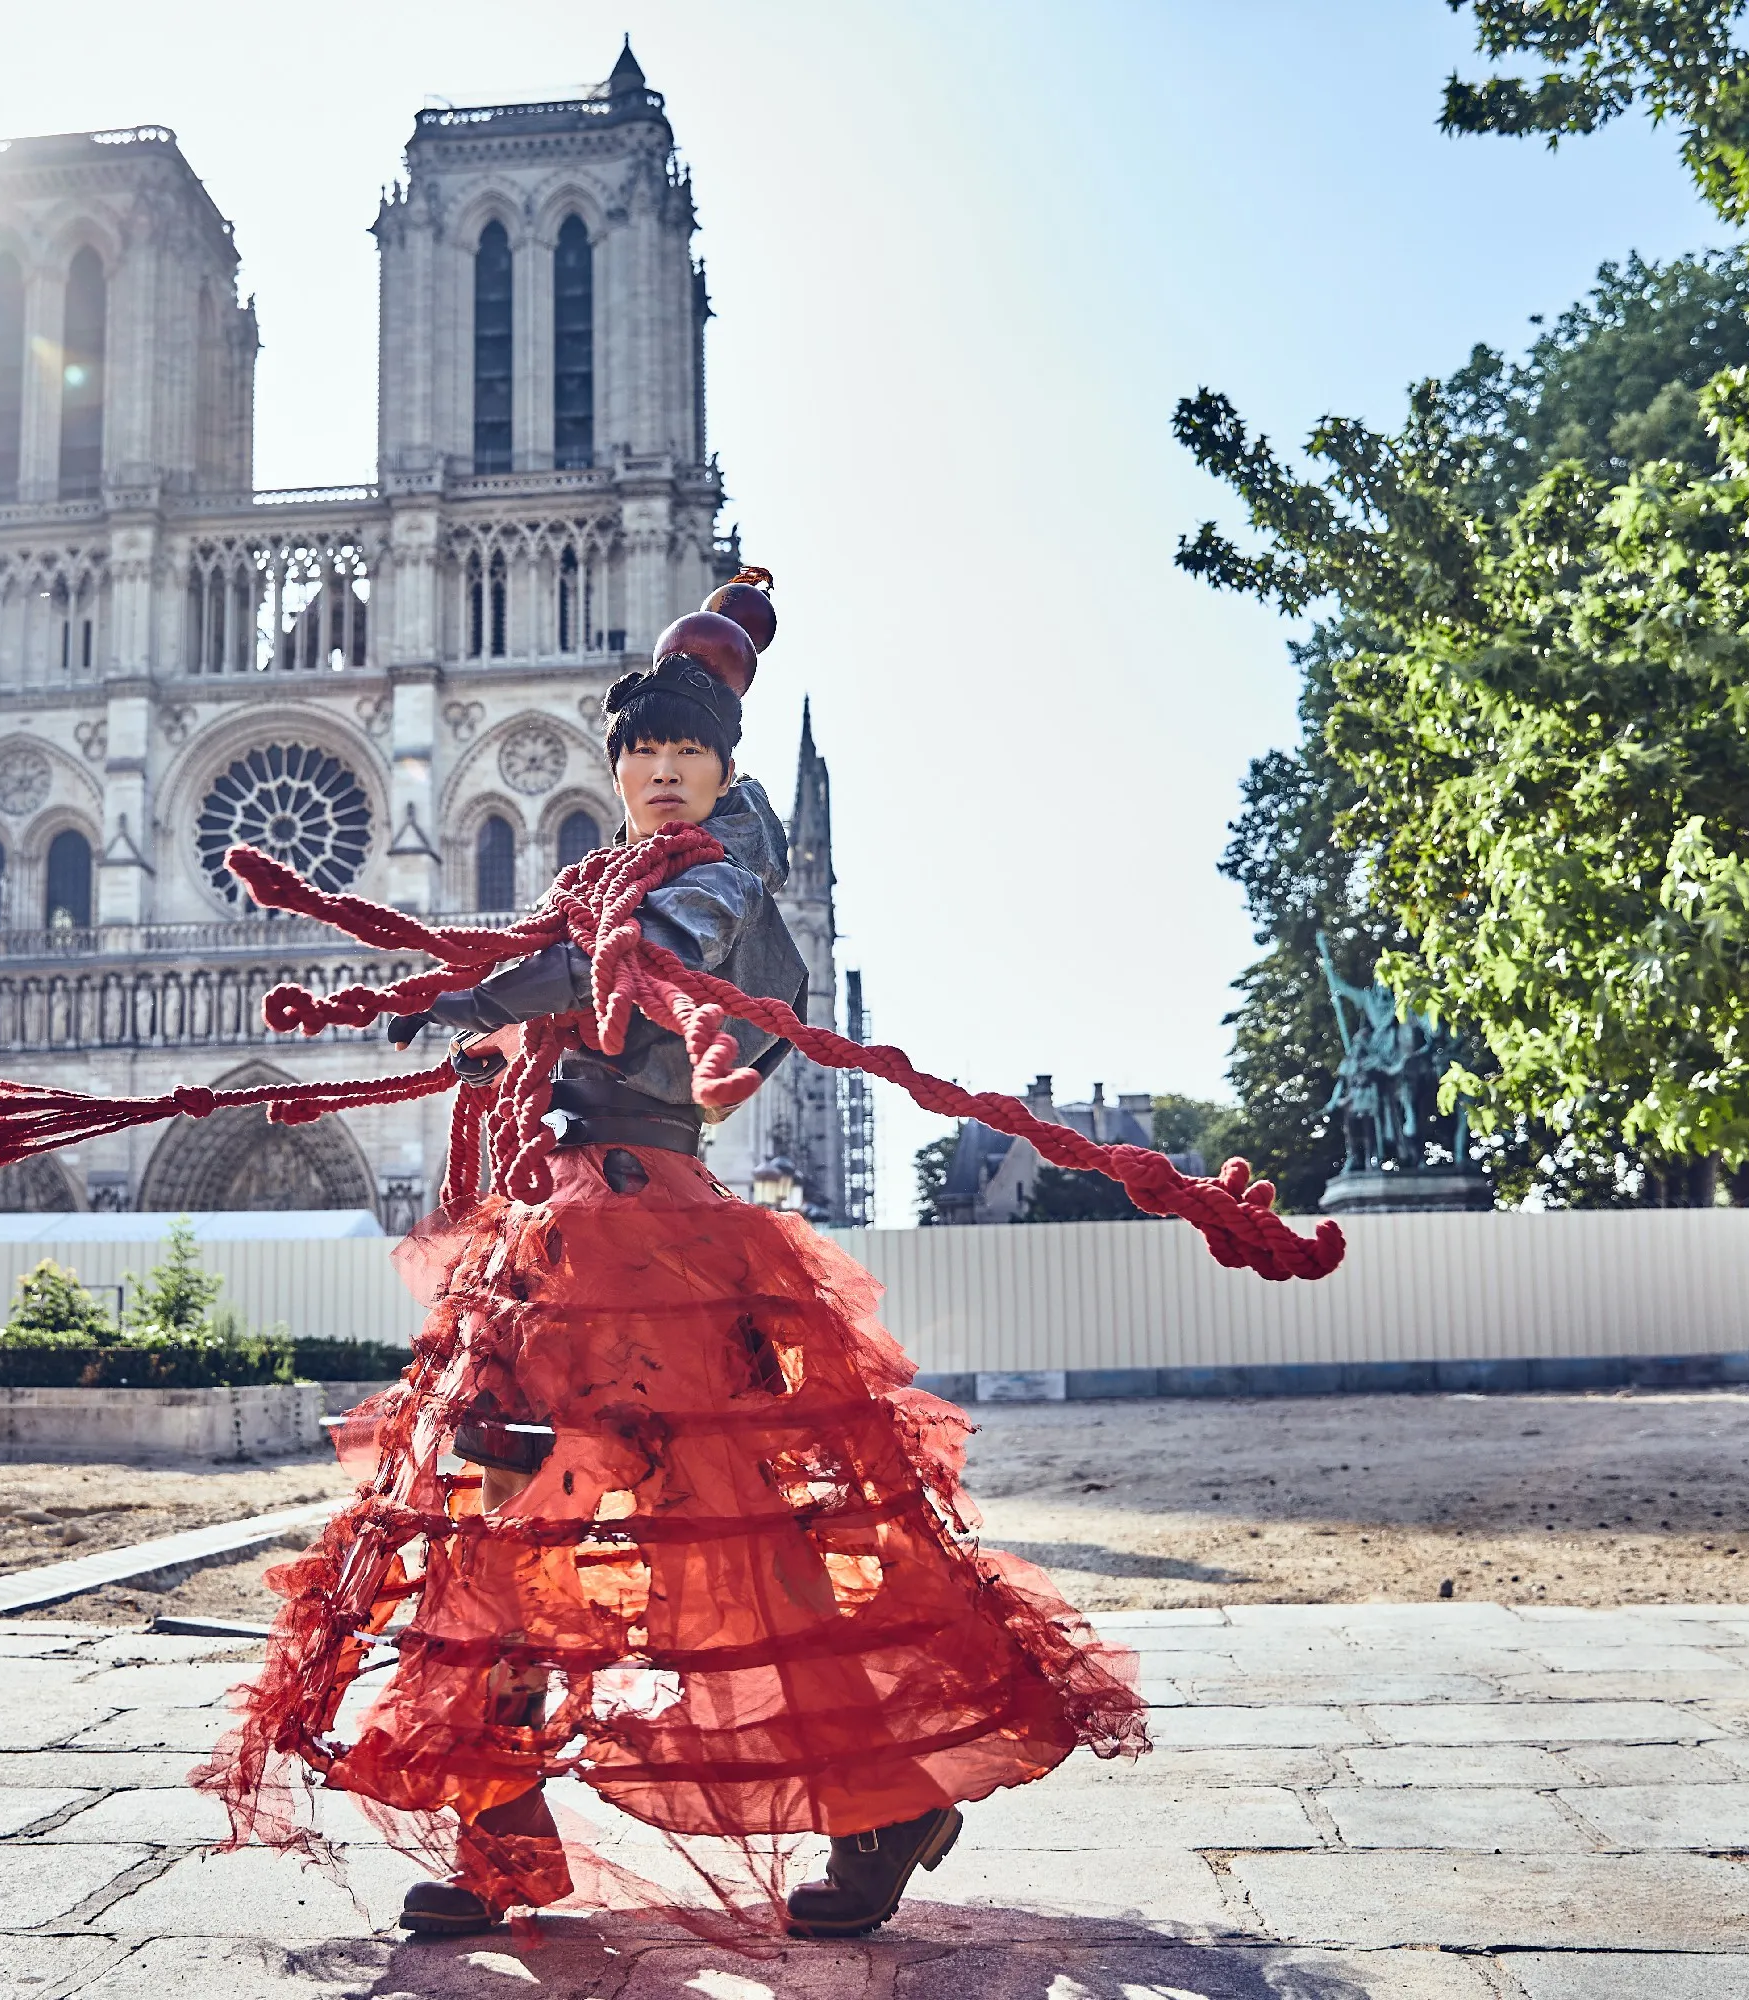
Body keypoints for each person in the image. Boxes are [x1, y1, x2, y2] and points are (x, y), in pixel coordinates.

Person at [197, 584, 1151, 1938]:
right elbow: (556, 970)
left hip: (653, 1243)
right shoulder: (598, 878)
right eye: (638, 753)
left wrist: (430, 995)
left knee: (740, 1542)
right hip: (554, 1239)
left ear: (723, 768)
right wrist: (449, 1014)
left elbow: (631, 969)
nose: (656, 772)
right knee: (500, 1536)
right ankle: (499, 1841)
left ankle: (885, 1801)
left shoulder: (714, 882)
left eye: (683, 754)